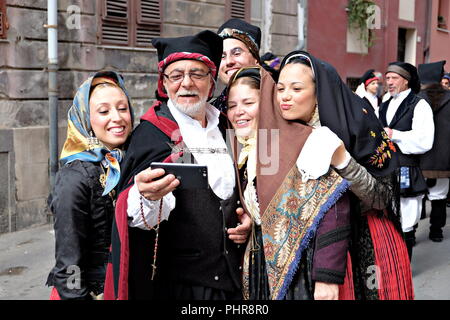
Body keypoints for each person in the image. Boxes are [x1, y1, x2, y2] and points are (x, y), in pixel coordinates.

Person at [103, 30, 251, 300]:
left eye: (197, 74)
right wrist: (144, 195)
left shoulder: (226, 126)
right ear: (164, 82)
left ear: (211, 80)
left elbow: (238, 186)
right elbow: (135, 216)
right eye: (176, 75)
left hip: (233, 281)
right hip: (181, 287)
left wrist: (244, 216)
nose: (186, 84)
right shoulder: (155, 133)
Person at [277, 51, 414, 300]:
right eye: (280, 88)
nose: (285, 97)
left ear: (320, 92)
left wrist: (343, 160)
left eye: (296, 89)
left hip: (366, 240)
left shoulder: (357, 125)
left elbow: (381, 197)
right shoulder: (280, 131)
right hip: (310, 251)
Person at [227, 66, 352, 300]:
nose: (238, 112)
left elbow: (334, 208)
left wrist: (327, 277)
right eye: (232, 105)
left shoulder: (302, 140)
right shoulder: (245, 148)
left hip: (302, 268)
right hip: (260, 266)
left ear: (267, 103)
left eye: (248, 103)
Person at [46, 71, 134, 300]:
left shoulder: (129, 160)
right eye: (104, 111)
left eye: (123, 108)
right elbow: (69, 264)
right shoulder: (74, 177)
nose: (117, 118)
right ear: (86, 119)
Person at [379, 62, 435, 259]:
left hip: (406, 168)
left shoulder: (419, 105)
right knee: (387, 219)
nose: (389, 82)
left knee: (407, 221)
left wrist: (396, 134)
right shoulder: (385, 103)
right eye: (387, 78)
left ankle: (404, 269)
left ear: (406, 81)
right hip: (385, 169)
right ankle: (391, 267)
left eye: (394, 78)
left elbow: (425, 140)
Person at [418, 61, 450, 242]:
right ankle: (436, 232)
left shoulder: (415, 98)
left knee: (415, 196)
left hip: (419, 156)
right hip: (443, 158)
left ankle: (412, 233)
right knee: (439, 196)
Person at [212, 18, 262, 113]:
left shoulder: (277, 103)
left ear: (256, 60)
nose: (229, 61)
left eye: (237, 53)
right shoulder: (211, 114)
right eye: (222, 56)